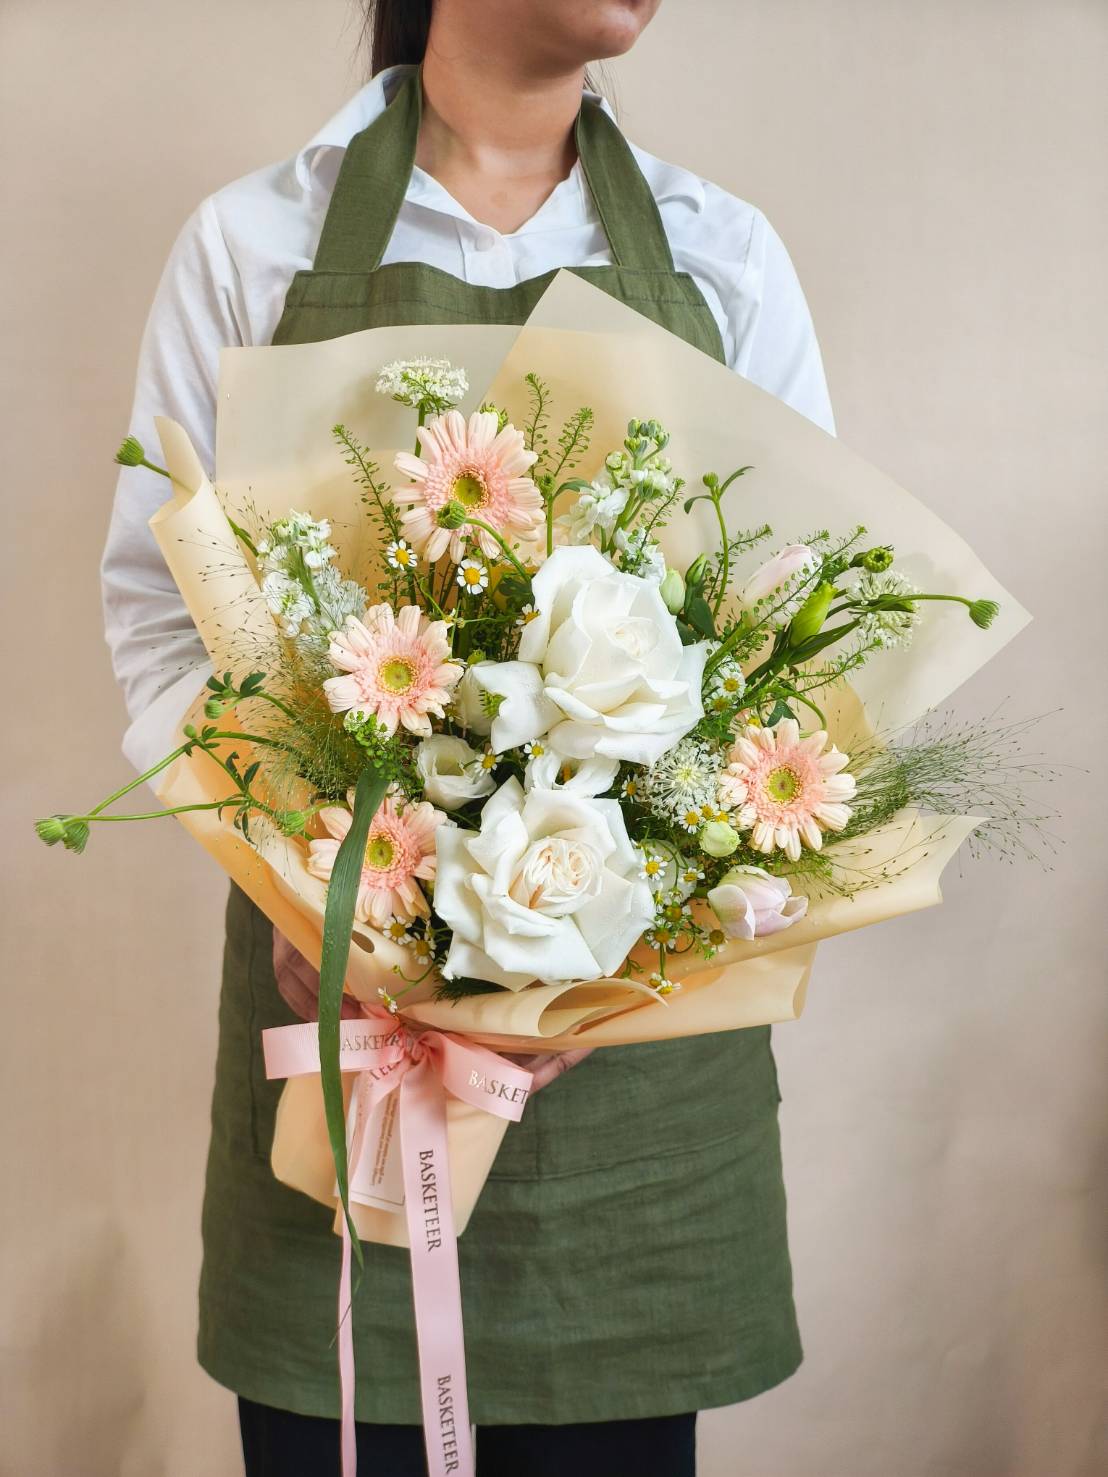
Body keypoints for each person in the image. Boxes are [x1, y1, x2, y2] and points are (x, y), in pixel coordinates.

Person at [101, 2, 836, 1473]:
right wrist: (312, 884)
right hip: (351, 1055)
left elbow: (796, 647)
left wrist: (624, 932)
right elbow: (170, 618)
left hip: (638, 1113)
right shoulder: (255, 247)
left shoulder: (723, 255)